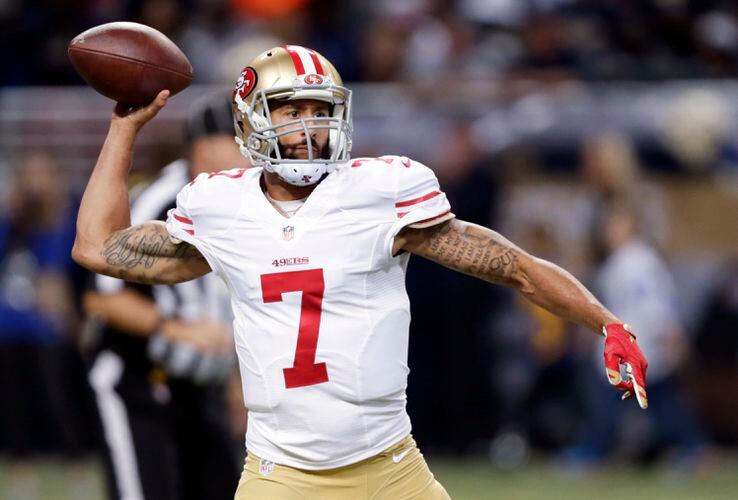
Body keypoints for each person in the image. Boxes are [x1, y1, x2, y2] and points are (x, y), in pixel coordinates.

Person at [72, 45, 649, 499]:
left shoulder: (381, 193)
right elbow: (98, 248)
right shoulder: (221, 208)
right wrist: (125, 126)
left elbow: (514, 266)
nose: (306, 128)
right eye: (290, 111)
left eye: (319, 111)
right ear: (250, 122)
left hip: (391, 467)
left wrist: (606, 323)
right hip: (281, 475)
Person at [82, 92, 249, 500]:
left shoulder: (244, 204)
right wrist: (174, 329)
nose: (253, 155)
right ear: (206, 145)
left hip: (201, 389)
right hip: (141, 380)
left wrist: (233, 380)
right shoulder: (163, 201)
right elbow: (101, 298)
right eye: (242, 141)